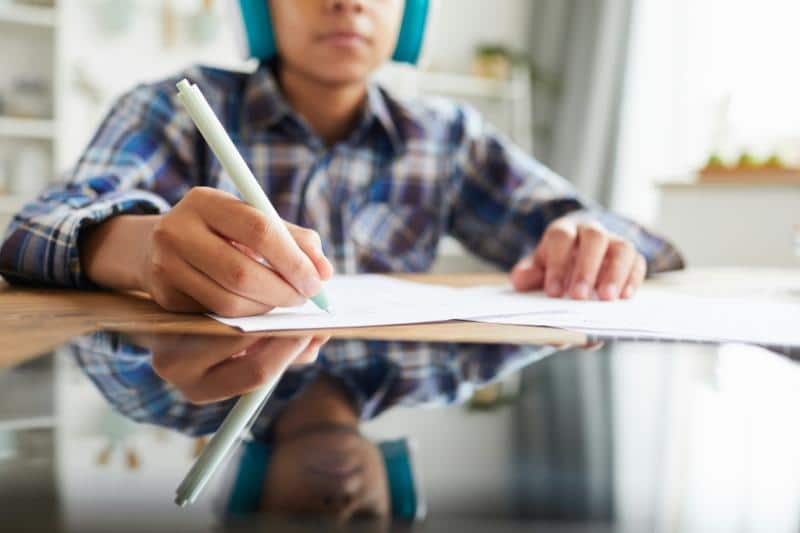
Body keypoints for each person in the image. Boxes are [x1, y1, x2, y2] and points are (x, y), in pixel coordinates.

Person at [0, 0, 683, 317]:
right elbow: (31, 231)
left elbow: (616, 233)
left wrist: (600, 246)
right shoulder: (173, 109)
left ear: (410, 16)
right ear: (260, 9)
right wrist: (140, 247)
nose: (346, 2)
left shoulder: (445, 136)